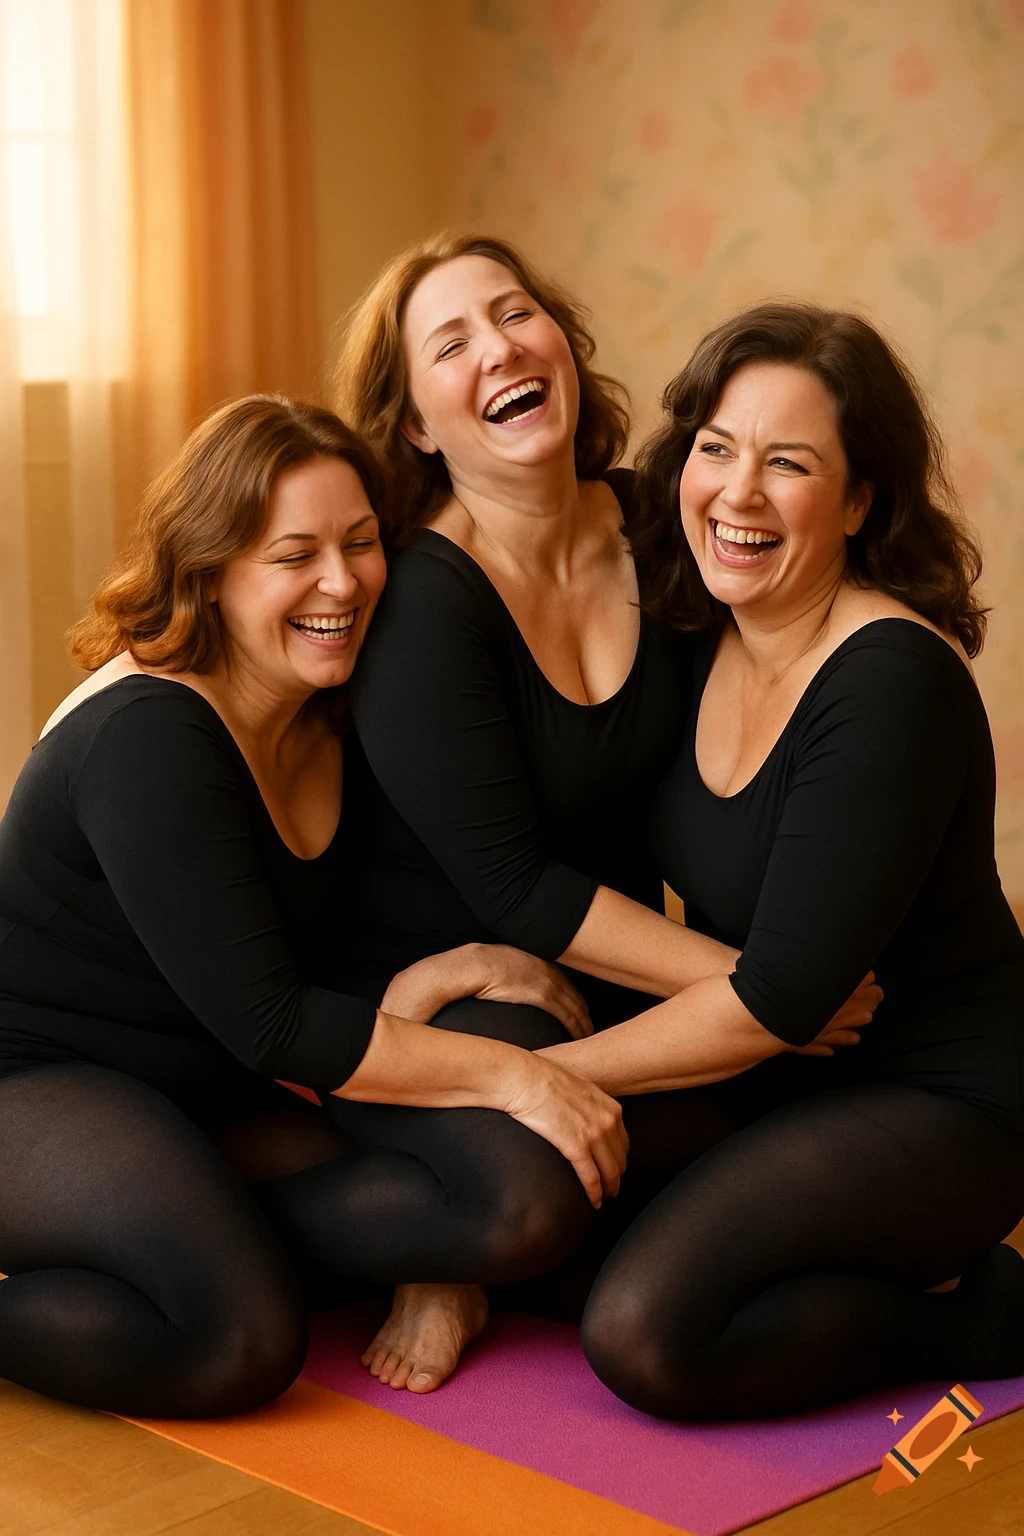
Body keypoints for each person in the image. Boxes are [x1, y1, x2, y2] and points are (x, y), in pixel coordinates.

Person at [0, 394, 630, 1417]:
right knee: (237, 1342)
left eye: (361, 542)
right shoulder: (151, 736)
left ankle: (209, 1235)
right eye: (294, 554)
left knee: (514, 1206)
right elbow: (273, 1019)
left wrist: (450, 968)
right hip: (39, 1087)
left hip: (205, 1089)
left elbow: (334, 935)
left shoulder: (328, 705)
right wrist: (516, 1076)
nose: (341, 582)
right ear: (210, 569)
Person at [334, 236, 878, 1386]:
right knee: (532, 1196)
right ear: (419, 426)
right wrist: (751, 986)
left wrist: (777, 973)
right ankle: (401, 1235)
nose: (498, 347)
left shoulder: (656, 523)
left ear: (562, 349)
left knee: (734, 1155)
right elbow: (513, 889)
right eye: (451, 342)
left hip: (629, 973)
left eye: (514, 312)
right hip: (458, 984)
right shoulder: (426, 600)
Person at [529, 301, 1024, 1419]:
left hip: (935, 1100)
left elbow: (777, 1002)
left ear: (858, 501)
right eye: (715, 449)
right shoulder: (698, 630)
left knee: (643, 1335)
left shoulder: (889, 679)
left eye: (787, 464)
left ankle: (982, 1311)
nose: (736, 493)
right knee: (519, 1221)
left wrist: (542, 1077)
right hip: (772, 1082)